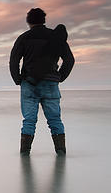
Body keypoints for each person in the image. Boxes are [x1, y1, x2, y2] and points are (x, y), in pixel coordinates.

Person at [9, 8, 75, 155]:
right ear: (44, 20)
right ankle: (61, 152)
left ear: (28, 21)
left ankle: (25, 155)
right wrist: (59, 77)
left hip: (29, 83)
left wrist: (18, 79)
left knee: (29, 120)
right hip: (51, 83)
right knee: (55, 120)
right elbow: (69, 60)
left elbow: (14, 60)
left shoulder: (24, 38)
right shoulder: (55, 37)